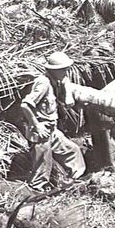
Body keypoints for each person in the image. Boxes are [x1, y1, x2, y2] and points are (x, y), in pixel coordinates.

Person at [21, 51, 86, 192]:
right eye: (63, 69)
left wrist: (68, 95)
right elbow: (25, 105)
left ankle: (75, 182)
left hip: (52, 129)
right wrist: (36, 125)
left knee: (73, 151)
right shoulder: (43, 83)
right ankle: (35, 192)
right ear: (53, 70)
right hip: (41, 130)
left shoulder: (55, 80)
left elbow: (66, 80)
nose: (66, 72)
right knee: (43, 166)